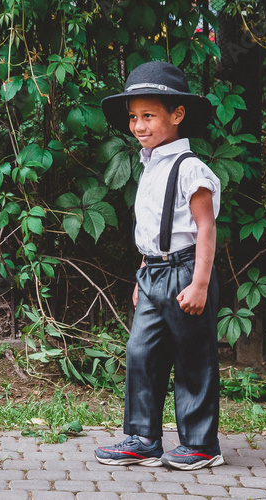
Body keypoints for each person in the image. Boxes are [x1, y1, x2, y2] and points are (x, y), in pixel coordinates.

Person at [94, 61, 224, 471]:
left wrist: (200, 283)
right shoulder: (149, 165)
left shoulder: (191, 169)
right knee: (140, 352)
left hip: (186, 272)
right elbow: (152, 228)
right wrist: (142, 274)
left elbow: (205, 229)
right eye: (133, 117)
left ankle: (202, 445)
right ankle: (143, 438)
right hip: (152, 274)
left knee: (193, 357)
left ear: (177, 114)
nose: (138, 125)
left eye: (148, 115)